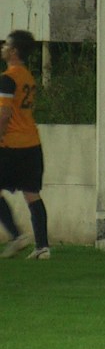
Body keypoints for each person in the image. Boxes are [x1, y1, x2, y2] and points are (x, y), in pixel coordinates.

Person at [0, 30, 51, 260]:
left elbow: (4, 114)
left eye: (6, 45)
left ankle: (16, 235)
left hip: (10, 144)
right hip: (32, 143)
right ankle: (43, 247)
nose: (3, 48)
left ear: (14, 51)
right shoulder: (28, 77)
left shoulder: (7, 78)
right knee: (32, 194)